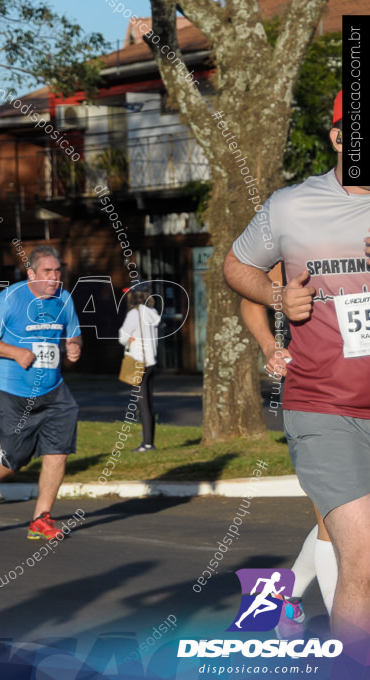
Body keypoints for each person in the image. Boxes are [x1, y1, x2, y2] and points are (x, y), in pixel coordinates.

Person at [224, 90, 370, 655]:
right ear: (341, 137)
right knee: (356, 551)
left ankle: (282, 604)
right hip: (324, 405)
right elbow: (240, 270)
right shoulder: (292, 209)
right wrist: (275, 311)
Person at [239, 288, 337, 639]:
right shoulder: (304, 241)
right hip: (321, 400)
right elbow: (251, 297)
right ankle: (351, 638)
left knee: (348, 516)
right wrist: (270, 346)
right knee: (334, 516)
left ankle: (285, 597)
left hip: (364, 395)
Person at [0, 245, 82, 540]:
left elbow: (73, 333)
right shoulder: (10, 299)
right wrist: (15, 352)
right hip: (12, 390)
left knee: (57, 453)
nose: (55, 278)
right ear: (31, 273)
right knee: (15, 457)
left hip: (54, 390)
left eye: (58, 272)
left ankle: (41, 519)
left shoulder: (64, 299)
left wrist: (73, 346)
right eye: (47, 272)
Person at [118, 285, 160, 451]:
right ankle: (149, 438)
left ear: (134, 296)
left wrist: (130, 339)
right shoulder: (154, 314)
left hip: (138, 363)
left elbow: (122, 337)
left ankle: (148, 444)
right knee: (149, 403)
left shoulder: (134, 314)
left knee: (142, 404)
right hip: (151, 362)